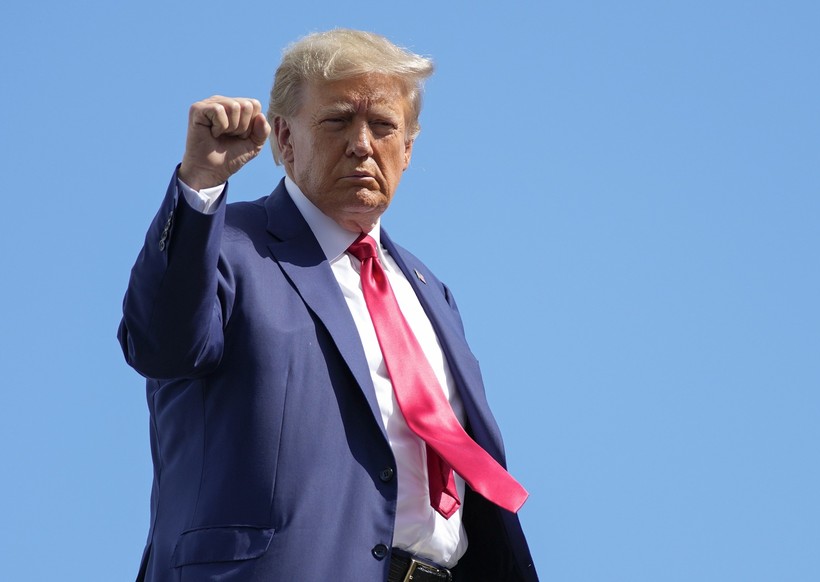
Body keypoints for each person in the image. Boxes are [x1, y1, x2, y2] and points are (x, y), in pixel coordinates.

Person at [118, 29, 537, 582]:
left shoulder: (428, 290)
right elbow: (161, 344)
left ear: (408, 150)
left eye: (384, 126)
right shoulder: (224, 242)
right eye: (338, 121)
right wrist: (199, 185)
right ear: (285, 140)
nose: (363, 144)